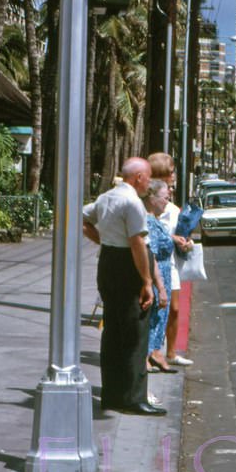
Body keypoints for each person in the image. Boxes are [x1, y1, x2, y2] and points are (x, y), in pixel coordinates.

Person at [82, 157, 166, 416]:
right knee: (135, 334)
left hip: (108, 262)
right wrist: (147, 282)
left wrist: (104, 240)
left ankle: (112, 394)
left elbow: (84, 220)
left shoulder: (107, 197)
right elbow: (138, 244)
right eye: (148, 177)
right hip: (128, 265)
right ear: (138, 177)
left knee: (113, 331)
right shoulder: (132, 203)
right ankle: (133, 398)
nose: (149, 183)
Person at [146, 152, 194, 366]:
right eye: (171, 172)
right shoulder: (148, 206)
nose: (174, 176)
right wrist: (171, 238)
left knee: (173, 308)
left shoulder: (173, 209)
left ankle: (170, 352)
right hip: (152, 264)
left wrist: (186, 242)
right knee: (155, 309)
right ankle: (151, 352)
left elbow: (182, 235)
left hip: (170, 263)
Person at [142, 179, 178, 374]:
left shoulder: (154, 219)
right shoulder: (148, 220)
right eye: (165, 197)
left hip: (164, 272)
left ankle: (155, 351)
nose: (167, 201)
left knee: (160, 316)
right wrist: (159, 285)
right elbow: (151, 254)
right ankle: (145, 355)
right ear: (152, 198)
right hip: (157, 274)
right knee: (154, 315)